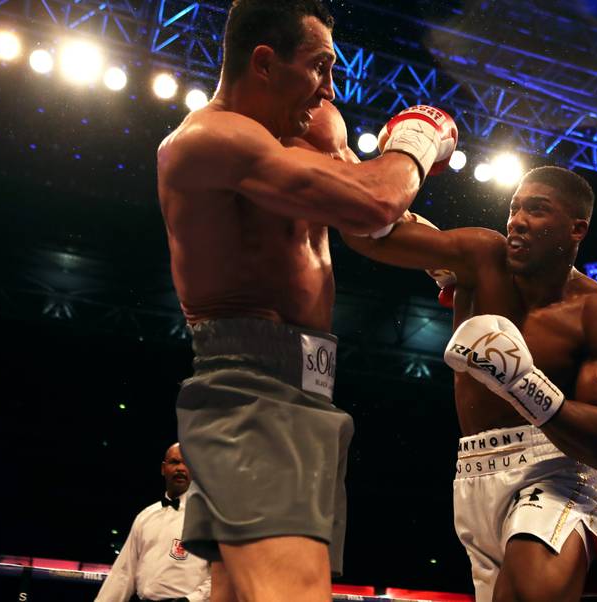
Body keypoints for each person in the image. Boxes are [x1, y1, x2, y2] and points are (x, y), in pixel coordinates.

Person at [155, 0, 457, 598]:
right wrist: (419, 142)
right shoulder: (208, 140)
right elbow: (374, 199)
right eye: (319, 68)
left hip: (307, 388)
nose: (330, 87)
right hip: (249, 386)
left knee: (239, 592)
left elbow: (369, 214)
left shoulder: (316, 127)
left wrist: (441, 258)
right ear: (264, 63)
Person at [342, 166, 597, 601]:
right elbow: (365, 233)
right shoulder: (480, 258)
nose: (517, 220)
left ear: (577, 228)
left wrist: (525, 385)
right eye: (514, 207)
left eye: (537, 211)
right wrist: (400, 162)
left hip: (557, 474)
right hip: (473, 476)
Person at [95, 443, 211, 602]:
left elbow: (222, 576)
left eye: (187, 463)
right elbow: (122, 574)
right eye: (175, 462)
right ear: (164, 468)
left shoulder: (208, 518)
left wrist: (191, 600)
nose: (181, 468)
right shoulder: (145, 517)